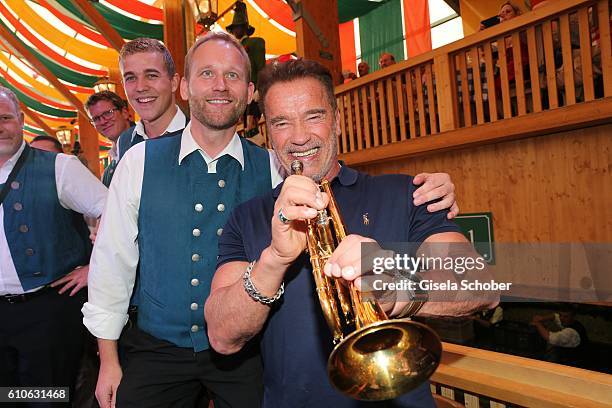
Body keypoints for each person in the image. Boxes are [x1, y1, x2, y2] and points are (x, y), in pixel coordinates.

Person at [83, 32, 459, 408]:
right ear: (184, 86)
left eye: (231, 75)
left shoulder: (276, 168)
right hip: (159, 351)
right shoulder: (141, 161)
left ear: (248, 94)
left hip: (249, 364)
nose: (297, 136)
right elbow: (112, 264)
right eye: (281, 122)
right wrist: (108, 359)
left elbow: (483, 278)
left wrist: (419, 203)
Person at [204, 59, 499, 407]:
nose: (299, 137)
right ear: (269, 135)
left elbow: (482, 287)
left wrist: (398, 289)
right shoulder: (247, 217)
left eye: (314, 116)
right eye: (282, 122)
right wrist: (274, 260)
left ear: (338, 120)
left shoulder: (405, 193)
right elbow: (222, 337)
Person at [0, 86, 107, 405]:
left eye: (5, 118)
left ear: (20, 121)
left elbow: (116, 212)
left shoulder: (60, 167)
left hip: (46, 310)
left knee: (45, 398)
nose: (0, 126)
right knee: (6, 397)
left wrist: (95, 267)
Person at [116, 37, 187, 161]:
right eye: (131, 78)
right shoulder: (124, 142)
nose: (140, 87)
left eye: (151, 75)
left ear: (174, 82)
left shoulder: (201, 137)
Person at [227, 0, 266, 139]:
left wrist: (259, 88)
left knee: (252, 127)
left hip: (253, 90)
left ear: (245, 27)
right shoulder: (232, 49)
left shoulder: (255, 43)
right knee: (242, 129)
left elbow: (261, 66)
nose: (236, 30)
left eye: (238, 27)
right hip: (240, 94)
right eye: (234, 28)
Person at [85, 91, 132, 186]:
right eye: (96, 119)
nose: (103, 121)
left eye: (107, 113)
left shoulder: (146, 143)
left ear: (124, 113)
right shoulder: (107, 173)